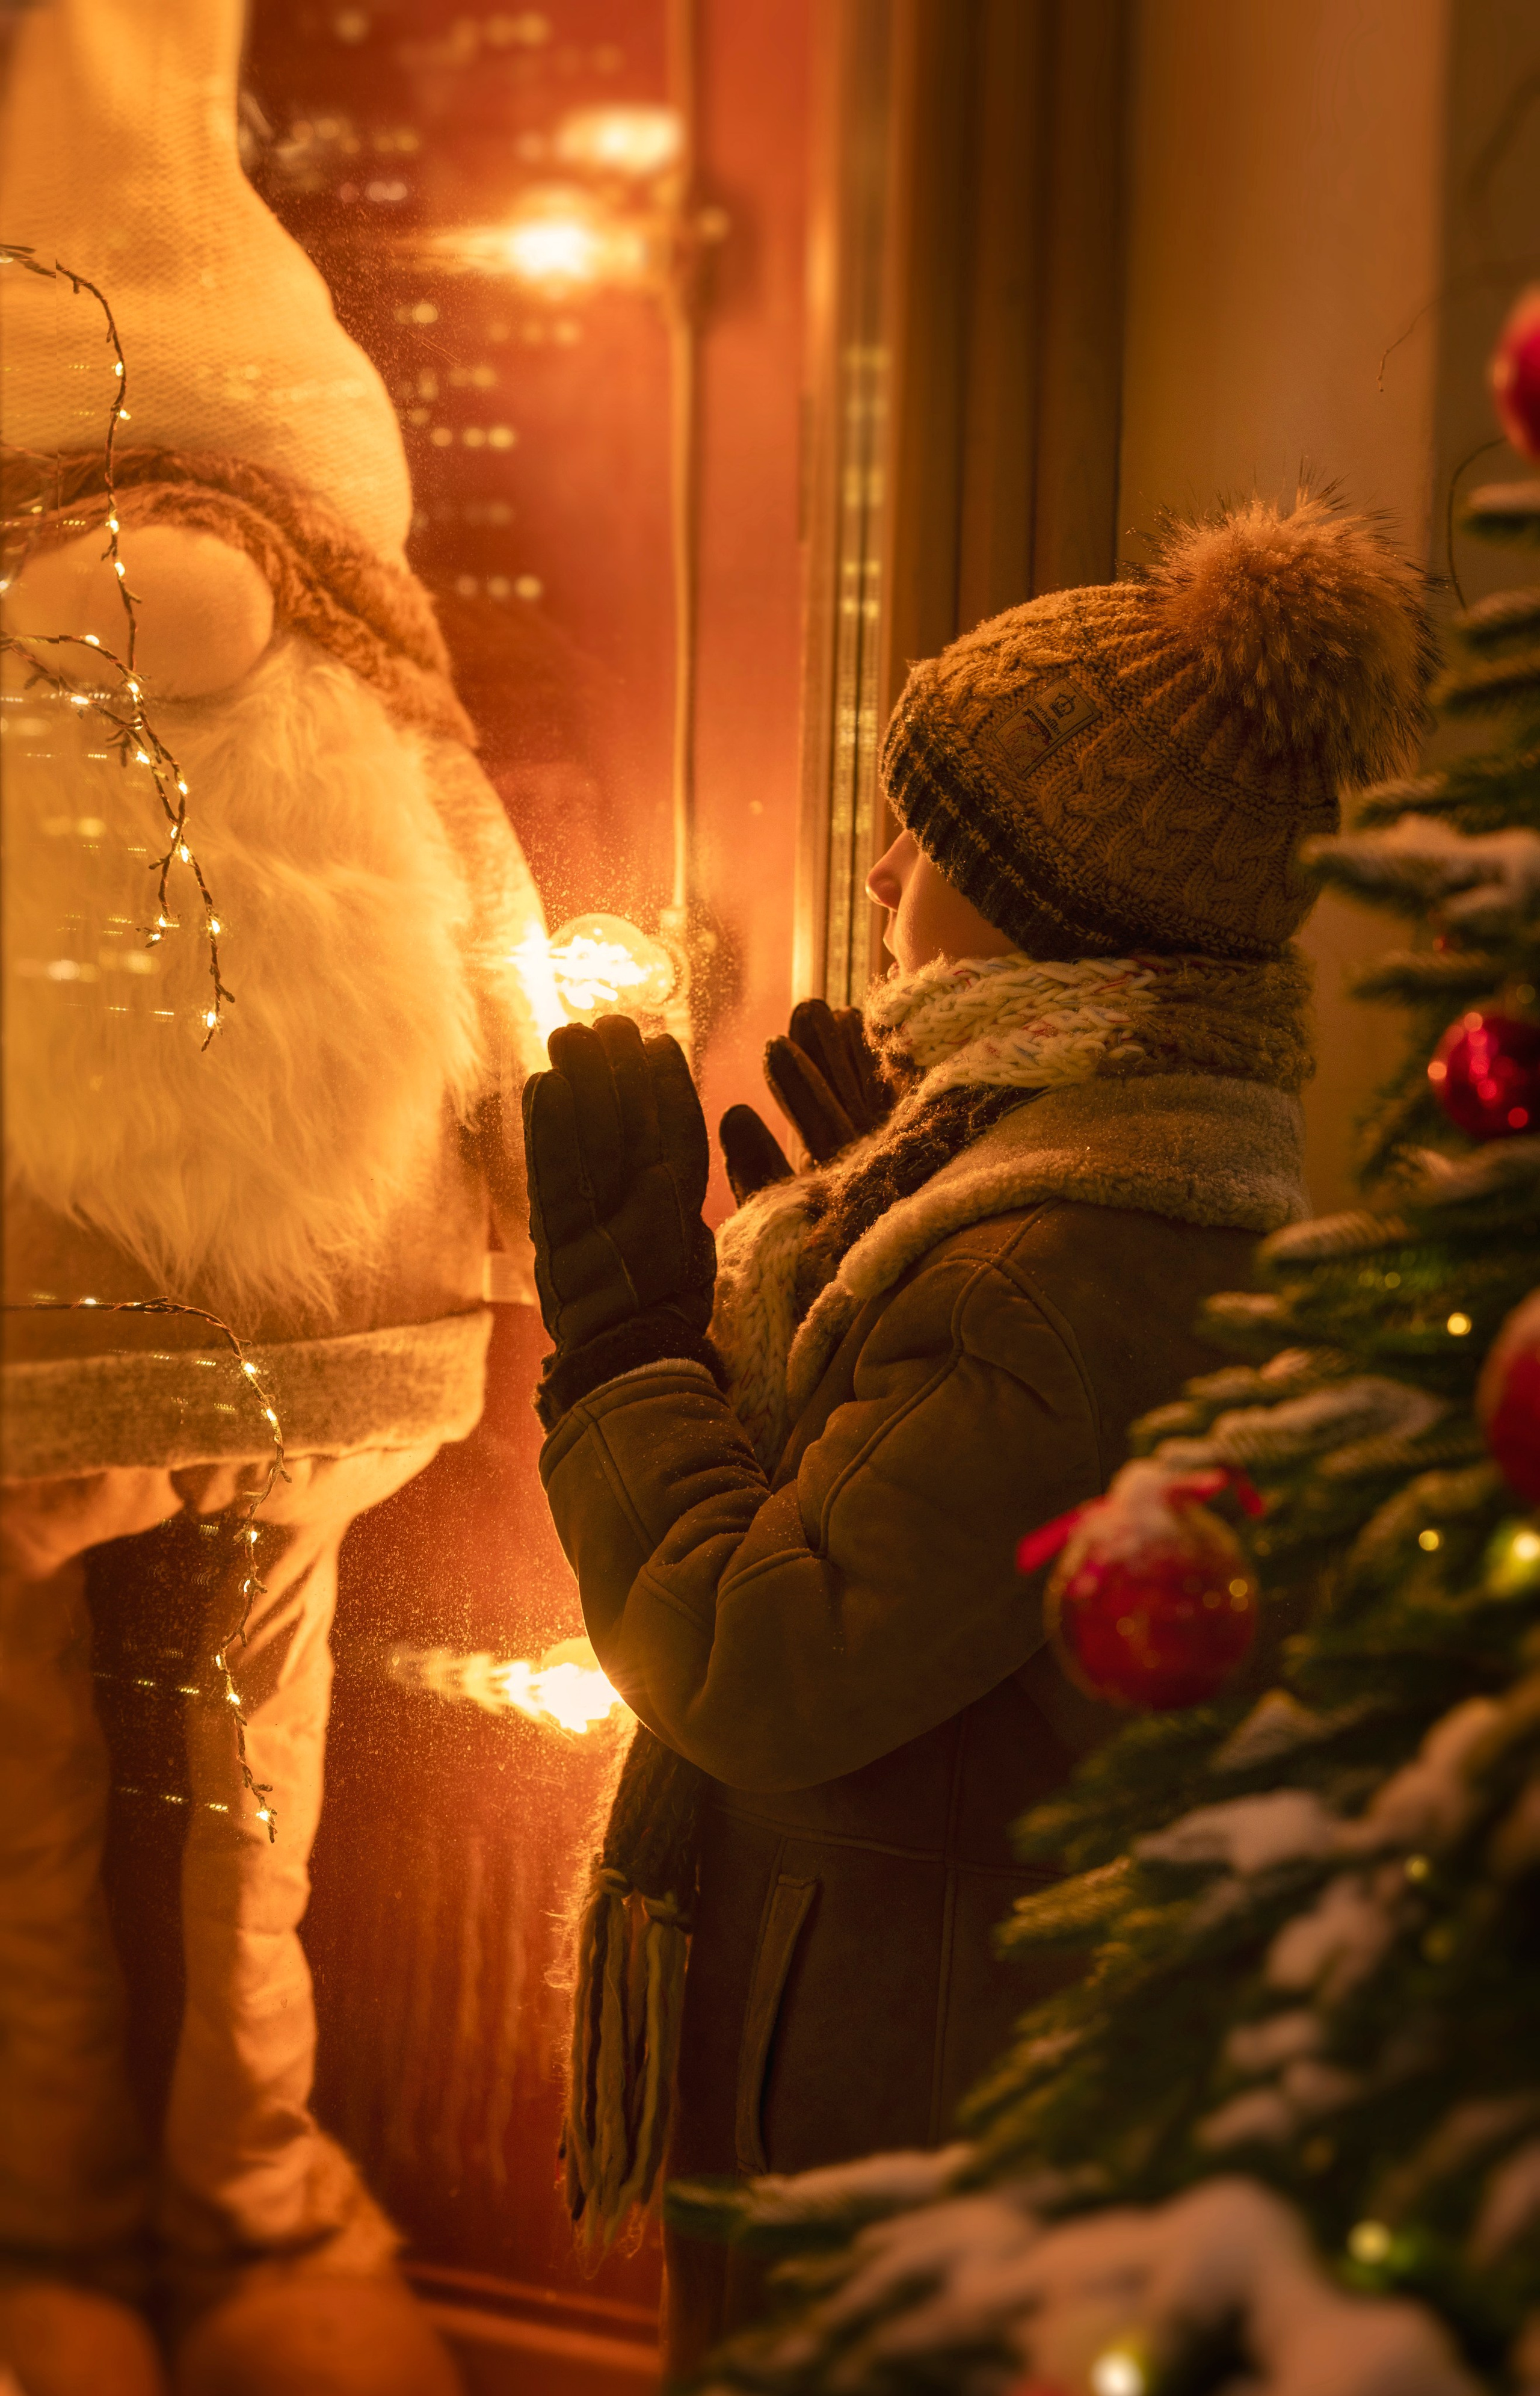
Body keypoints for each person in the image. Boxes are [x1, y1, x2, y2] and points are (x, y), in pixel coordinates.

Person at [519, 493, 1433, 2374]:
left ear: (1044, 896)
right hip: (943, 2043)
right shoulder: (1106, 1185)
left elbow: (768, 1664)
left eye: (918, 835)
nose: (874, 880)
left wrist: (622, 1355)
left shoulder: (1056, 1263)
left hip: (899, 2079)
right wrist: (859, 1226)